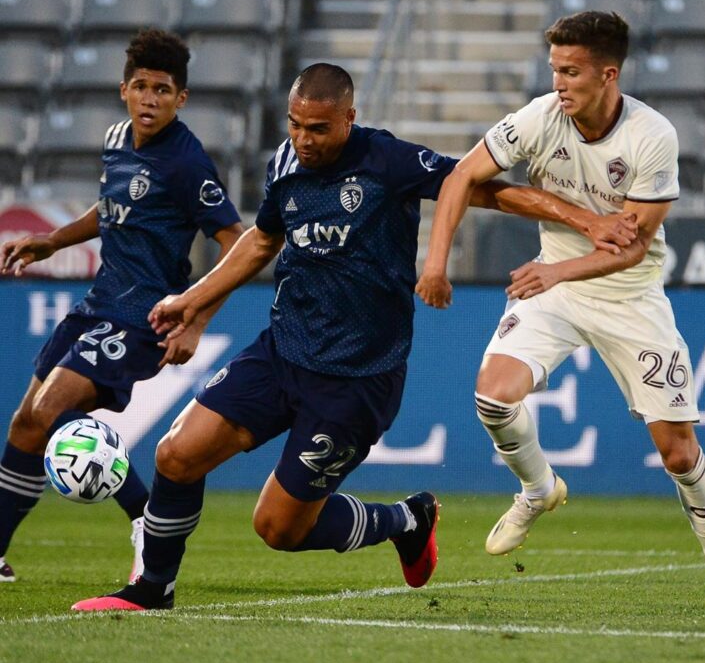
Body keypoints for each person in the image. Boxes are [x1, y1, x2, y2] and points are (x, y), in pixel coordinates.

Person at [70, 62, 638, 611]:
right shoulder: (287, 161)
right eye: (295, 125)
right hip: (282, 349)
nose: (305, 138)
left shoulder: (387, 160)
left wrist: (588, 223)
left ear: (349, 117)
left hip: (357, 378)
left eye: (318, 127)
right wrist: (192, 300)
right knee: (176, 455)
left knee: (278, 528)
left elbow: (485, 189)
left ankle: (407, 520)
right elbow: (263, 242)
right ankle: (152, 589)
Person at [415, 11, 705, 624]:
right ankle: (537, 489)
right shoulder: (540, 117)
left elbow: (630, 246)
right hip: (555, 284)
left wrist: (557, 272)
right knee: (493, 397)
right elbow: (462, 176)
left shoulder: (652, 137)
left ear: (609, 74)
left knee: (680, 455)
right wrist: (436, 263)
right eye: (554, 69)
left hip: (630, 297)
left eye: (571, 71)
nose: (559, 82)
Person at [0, 29, 244, 585]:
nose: (150, 99)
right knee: (25, 422)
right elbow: (111, 204)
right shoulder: (116, 139)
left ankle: (143, 516)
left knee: (52, 408)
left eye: (163, 89)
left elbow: (237, 241)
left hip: (143, 315)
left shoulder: (187, 162)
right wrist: (53, 241)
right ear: (123, 91)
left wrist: (196, 317)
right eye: (141, 87)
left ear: (181, 99)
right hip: (99, 301)